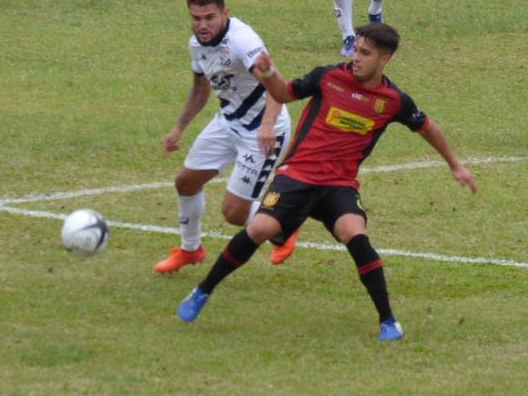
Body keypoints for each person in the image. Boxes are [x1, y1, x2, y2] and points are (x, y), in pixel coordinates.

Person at [177, 23, 476, 341]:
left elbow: (427, 127)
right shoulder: (328, 77)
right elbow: (282, 93)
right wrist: (268, 73)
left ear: (384, 59)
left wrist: (455, 166)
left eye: (365, 53)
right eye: (355, 49)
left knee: (355, 236)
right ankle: (202, 291)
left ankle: (388, 321)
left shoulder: (393, 100)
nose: (355, 57)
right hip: (296, 176)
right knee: (259, 230)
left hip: (339, 185)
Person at [154, 0, 291, 274]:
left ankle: (282, 226)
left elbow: (277, 85)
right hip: (228, 122)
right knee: (186, 182)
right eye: (196, 18)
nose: (202, 25)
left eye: (209, 17)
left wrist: (267, 126)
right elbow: (201, 88)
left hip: (263, 131)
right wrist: (178, 128)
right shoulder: (197, 44)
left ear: (225, 13)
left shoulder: (242, 41)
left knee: (233, 213)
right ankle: (190, 250)